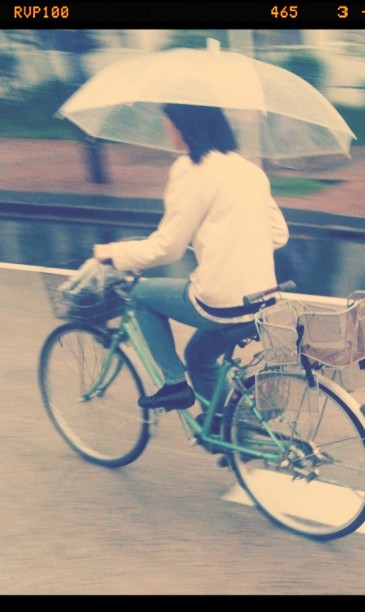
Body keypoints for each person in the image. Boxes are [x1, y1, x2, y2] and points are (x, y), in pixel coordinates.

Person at [94, 103, 289, 412]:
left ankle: (173, 385)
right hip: (263, 300)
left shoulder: (190, 169)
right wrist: (222, 238)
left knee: (141, 294)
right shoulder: (249, 170)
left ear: (184, 125)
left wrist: (113, 253)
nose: (166, 129)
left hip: (219, 303)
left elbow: (166, 247)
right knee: (199, 358)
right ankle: (230, 431)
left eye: (168, 122)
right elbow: (279, 234)